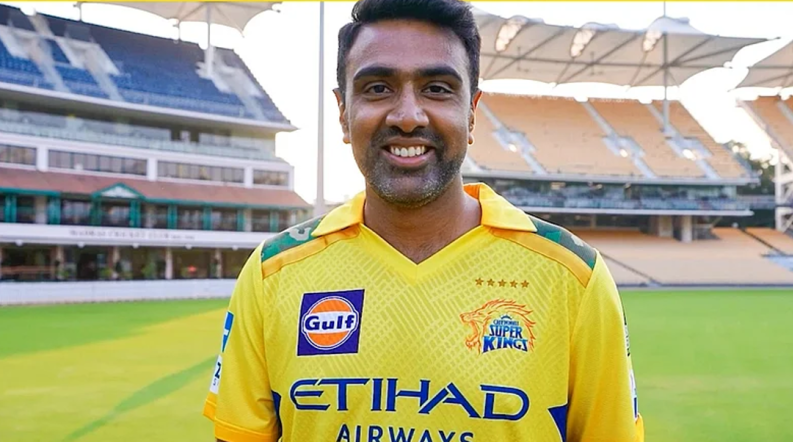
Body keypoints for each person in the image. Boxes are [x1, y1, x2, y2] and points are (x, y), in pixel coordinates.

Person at [203, 0, 644, 440]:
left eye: (436, 88)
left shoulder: (571, 277)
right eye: (378, 88)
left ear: (471, 112)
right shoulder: (274, 273)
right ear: (343, 113)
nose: (408, 117)